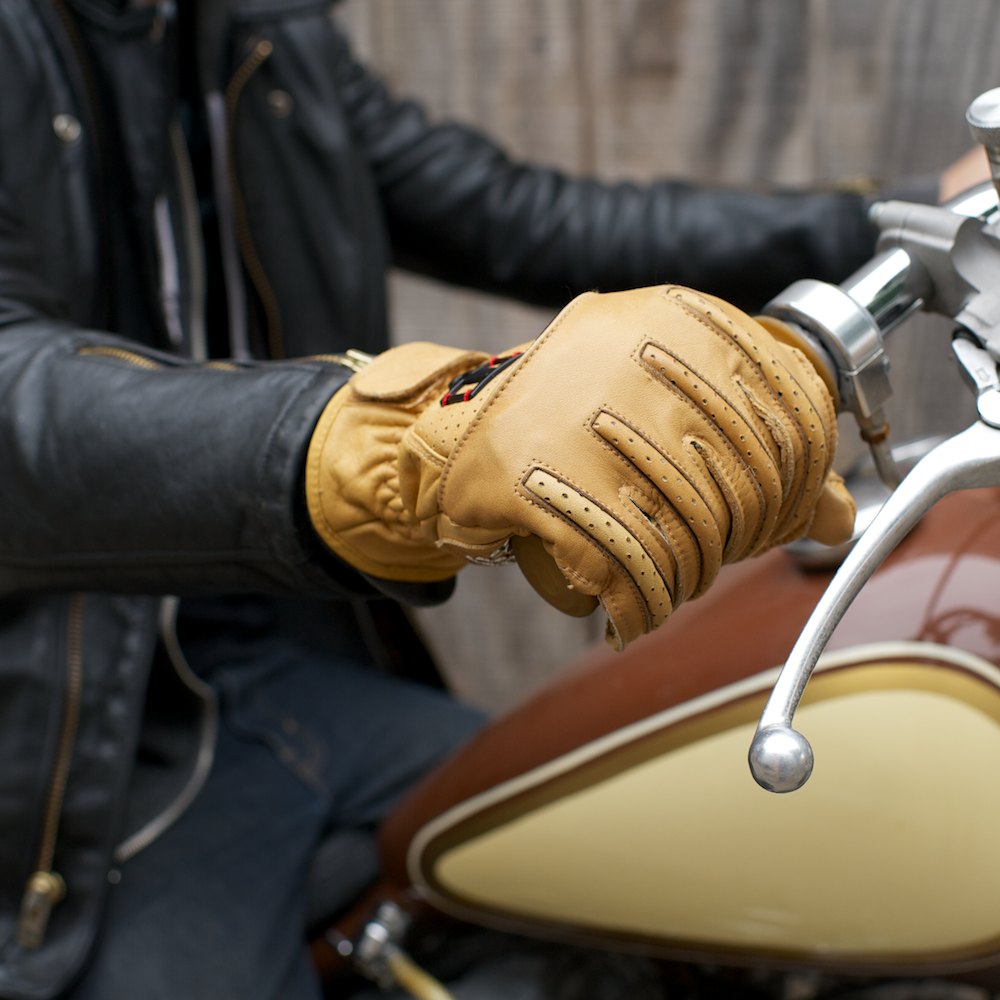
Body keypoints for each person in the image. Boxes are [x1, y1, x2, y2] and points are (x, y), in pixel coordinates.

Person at [0, 2, 975, 998]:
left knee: (643, 879)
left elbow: (517, 213)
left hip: (290, 668)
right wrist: (410, 445)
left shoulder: (254, 28)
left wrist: (908, 218)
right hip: (66, 759)